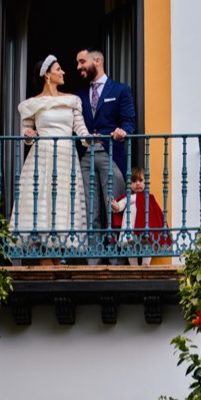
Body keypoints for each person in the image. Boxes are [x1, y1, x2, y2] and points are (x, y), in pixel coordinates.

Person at [15, 55, 90, 265]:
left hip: (66, 156)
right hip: (42, 157)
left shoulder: (71, 100)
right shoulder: (33, 104)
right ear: (48, 75)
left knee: (61, 204)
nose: (63, 72)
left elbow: (79, 127)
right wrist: (27, 135)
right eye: (59, 69)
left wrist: (87, 139)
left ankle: (56, 258)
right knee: (41, 204)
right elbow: (26, 131)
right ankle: (44, 260)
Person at [75, 46, 135, 263]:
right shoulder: (78, 96)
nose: (78, 67)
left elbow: (129, 122)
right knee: (90, 211)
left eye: (82, 62)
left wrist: (123, 131)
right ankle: (93, 259)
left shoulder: (120, 90)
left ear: (97, 61)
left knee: (114, 208)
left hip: (110, 154)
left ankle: (116, 260)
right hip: (85, 156)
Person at [111, 167, 170, 266]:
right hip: (130, 226)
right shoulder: (128, 197)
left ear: (145, 182)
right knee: (130, 245)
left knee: (147, 244)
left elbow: (156, 213)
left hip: (144, 225)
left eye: (140, 180)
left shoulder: (149, 198)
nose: (137, 183)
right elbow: (119, 207)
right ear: (129, 184)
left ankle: (145, 264)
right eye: (134, 181)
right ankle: (133, 265)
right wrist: (114, 205)